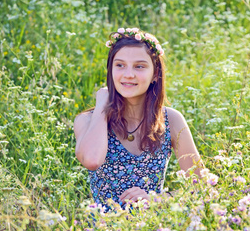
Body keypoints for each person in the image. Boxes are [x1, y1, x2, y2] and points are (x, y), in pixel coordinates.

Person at [74, 28, 202, 211]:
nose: (128, 74)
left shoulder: (170, 120)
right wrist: (103, 104)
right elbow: (92, 160)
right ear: (110, 70)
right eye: (120, 65)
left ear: (155, 73)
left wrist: (157, 199)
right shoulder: (87, 120)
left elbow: (200, 186)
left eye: (139, 66)